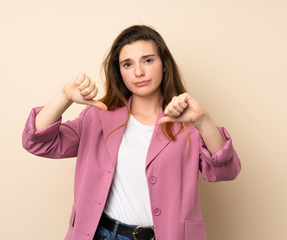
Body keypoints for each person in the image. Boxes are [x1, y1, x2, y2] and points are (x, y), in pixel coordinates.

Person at [22, 25, 241, 240]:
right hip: (103, 234)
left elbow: (226, 171)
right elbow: (38, 141)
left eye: (148, 60)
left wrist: (203, 120)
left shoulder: (188, 124)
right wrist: (64, 96)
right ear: (119, 71)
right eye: (127, 64)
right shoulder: (98, 117)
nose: (138, 72)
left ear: (164, 64)